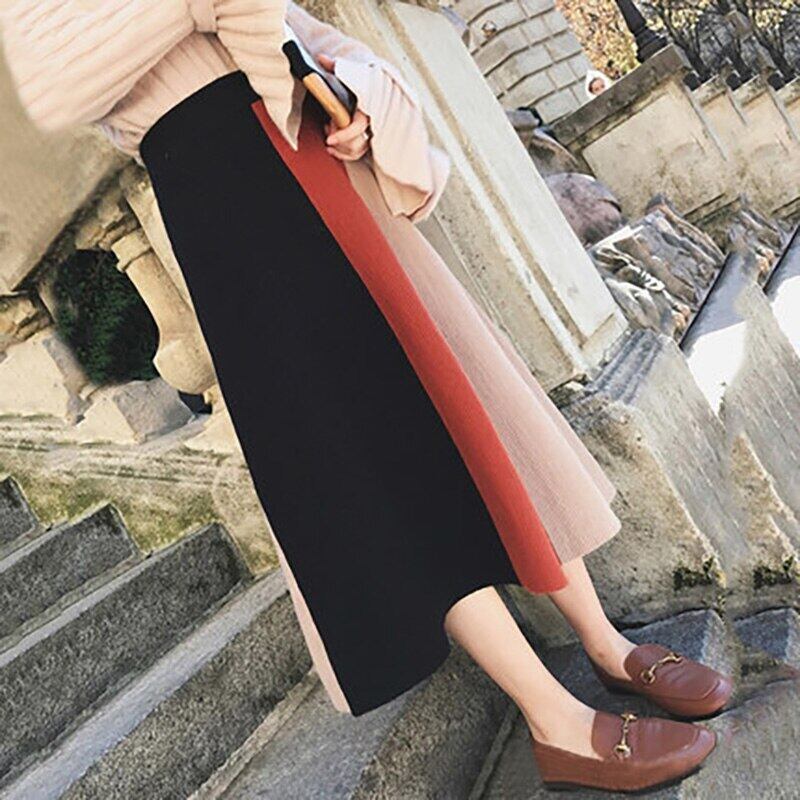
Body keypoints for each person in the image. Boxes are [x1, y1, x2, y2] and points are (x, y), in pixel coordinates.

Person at [0, 1, 731, 792]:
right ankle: (555, 721)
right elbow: (55, 82)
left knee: (469, 399)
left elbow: (284, 23)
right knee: (374, 453)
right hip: (222, 192)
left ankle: (605, 643)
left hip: (310, 148)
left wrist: (355, 92)